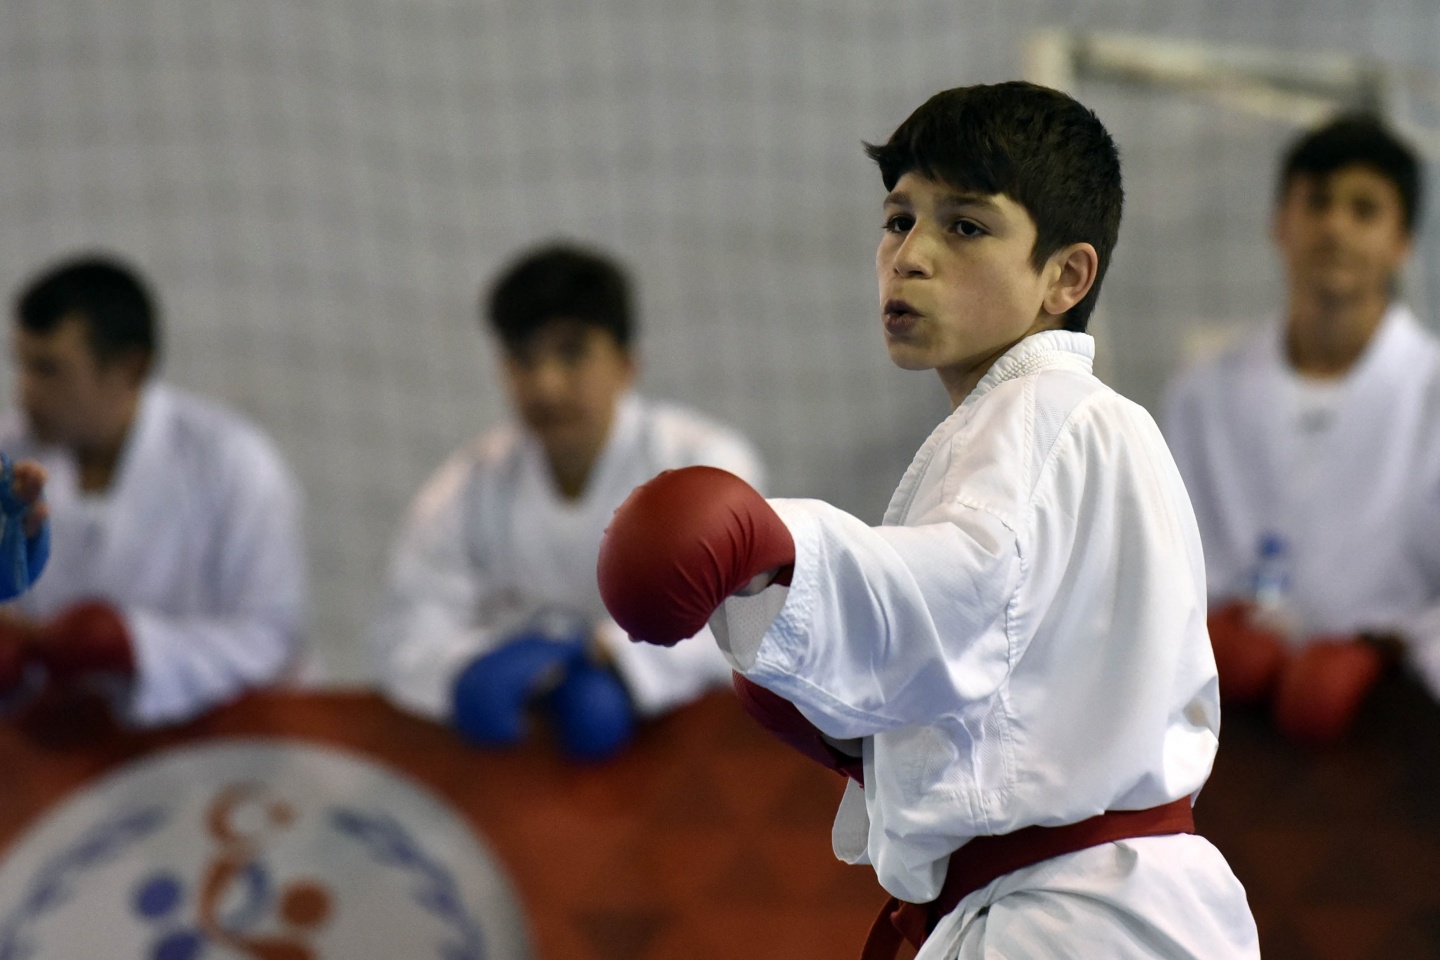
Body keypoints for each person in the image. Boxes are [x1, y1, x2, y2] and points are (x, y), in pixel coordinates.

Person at [597, 83, 1259, 958]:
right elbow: (1009, 674)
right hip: (1080, 907)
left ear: (1066, 276)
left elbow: (966, 587)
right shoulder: (1063, 424)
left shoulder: (1040, 411)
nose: (911, 255)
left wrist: (777, 556)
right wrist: (855, 734)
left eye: (966, 226)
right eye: (899, 219)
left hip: (1070, 921)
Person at [374, 243, 764, 761]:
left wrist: (623, 665)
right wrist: (466, 671)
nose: (547, 385)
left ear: (627, 363)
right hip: (524, 771)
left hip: (695, 772)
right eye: (523, 359)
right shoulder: (468, 487)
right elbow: (407, 635)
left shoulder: (705, 468)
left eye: (572, 353)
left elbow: (748, 621)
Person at [1164, 115, 1440, 745]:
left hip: (1402, 729)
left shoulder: (1433, 396)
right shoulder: (1202, 394)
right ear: (1280, 223)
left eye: (1364, 209)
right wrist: (1205, 630)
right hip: (1230, 721)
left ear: (1404, 242)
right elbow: (1167, 566)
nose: (1336, 226)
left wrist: (1387, 648)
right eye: (1317, 202)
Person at [0, 254, 307, 728]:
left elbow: (273, 639)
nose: (26, 394)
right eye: (22, 365)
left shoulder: (232, 463)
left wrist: (138, 647)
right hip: (48, 764)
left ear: (130, 368)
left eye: (49, 370)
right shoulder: (10, 457)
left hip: (215, 755)